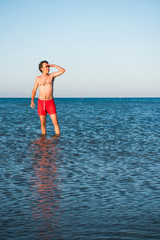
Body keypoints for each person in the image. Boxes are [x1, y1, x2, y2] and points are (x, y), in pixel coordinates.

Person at [31, 60, 65, 135]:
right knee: (43, 123)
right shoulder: (38, 78)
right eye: (46, 66)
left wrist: (54, 65)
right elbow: (34, 90)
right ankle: (43, 140)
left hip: (50, 102)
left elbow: (63, 70)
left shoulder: (51, 76)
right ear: (41, 69)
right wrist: (32, 101)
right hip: (41, 102)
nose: (48, 68)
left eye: (48, 66)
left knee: (55, 122)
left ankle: (57, 139)